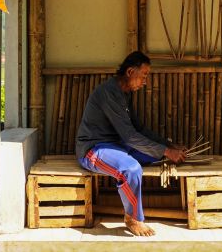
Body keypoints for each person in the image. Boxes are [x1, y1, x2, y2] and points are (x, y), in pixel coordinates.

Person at [75, 51, 187, 236]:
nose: (145, 81)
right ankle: (133, 218)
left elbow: (138, 129)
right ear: (129, 72)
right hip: (94, 149)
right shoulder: (108, 92)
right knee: (132, 169)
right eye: (144, 75)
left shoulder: (124, 94)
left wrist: (168, 146)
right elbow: (130, 137)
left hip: (117, 145)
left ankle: (133, 211)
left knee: (156, 154)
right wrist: (167, 151)